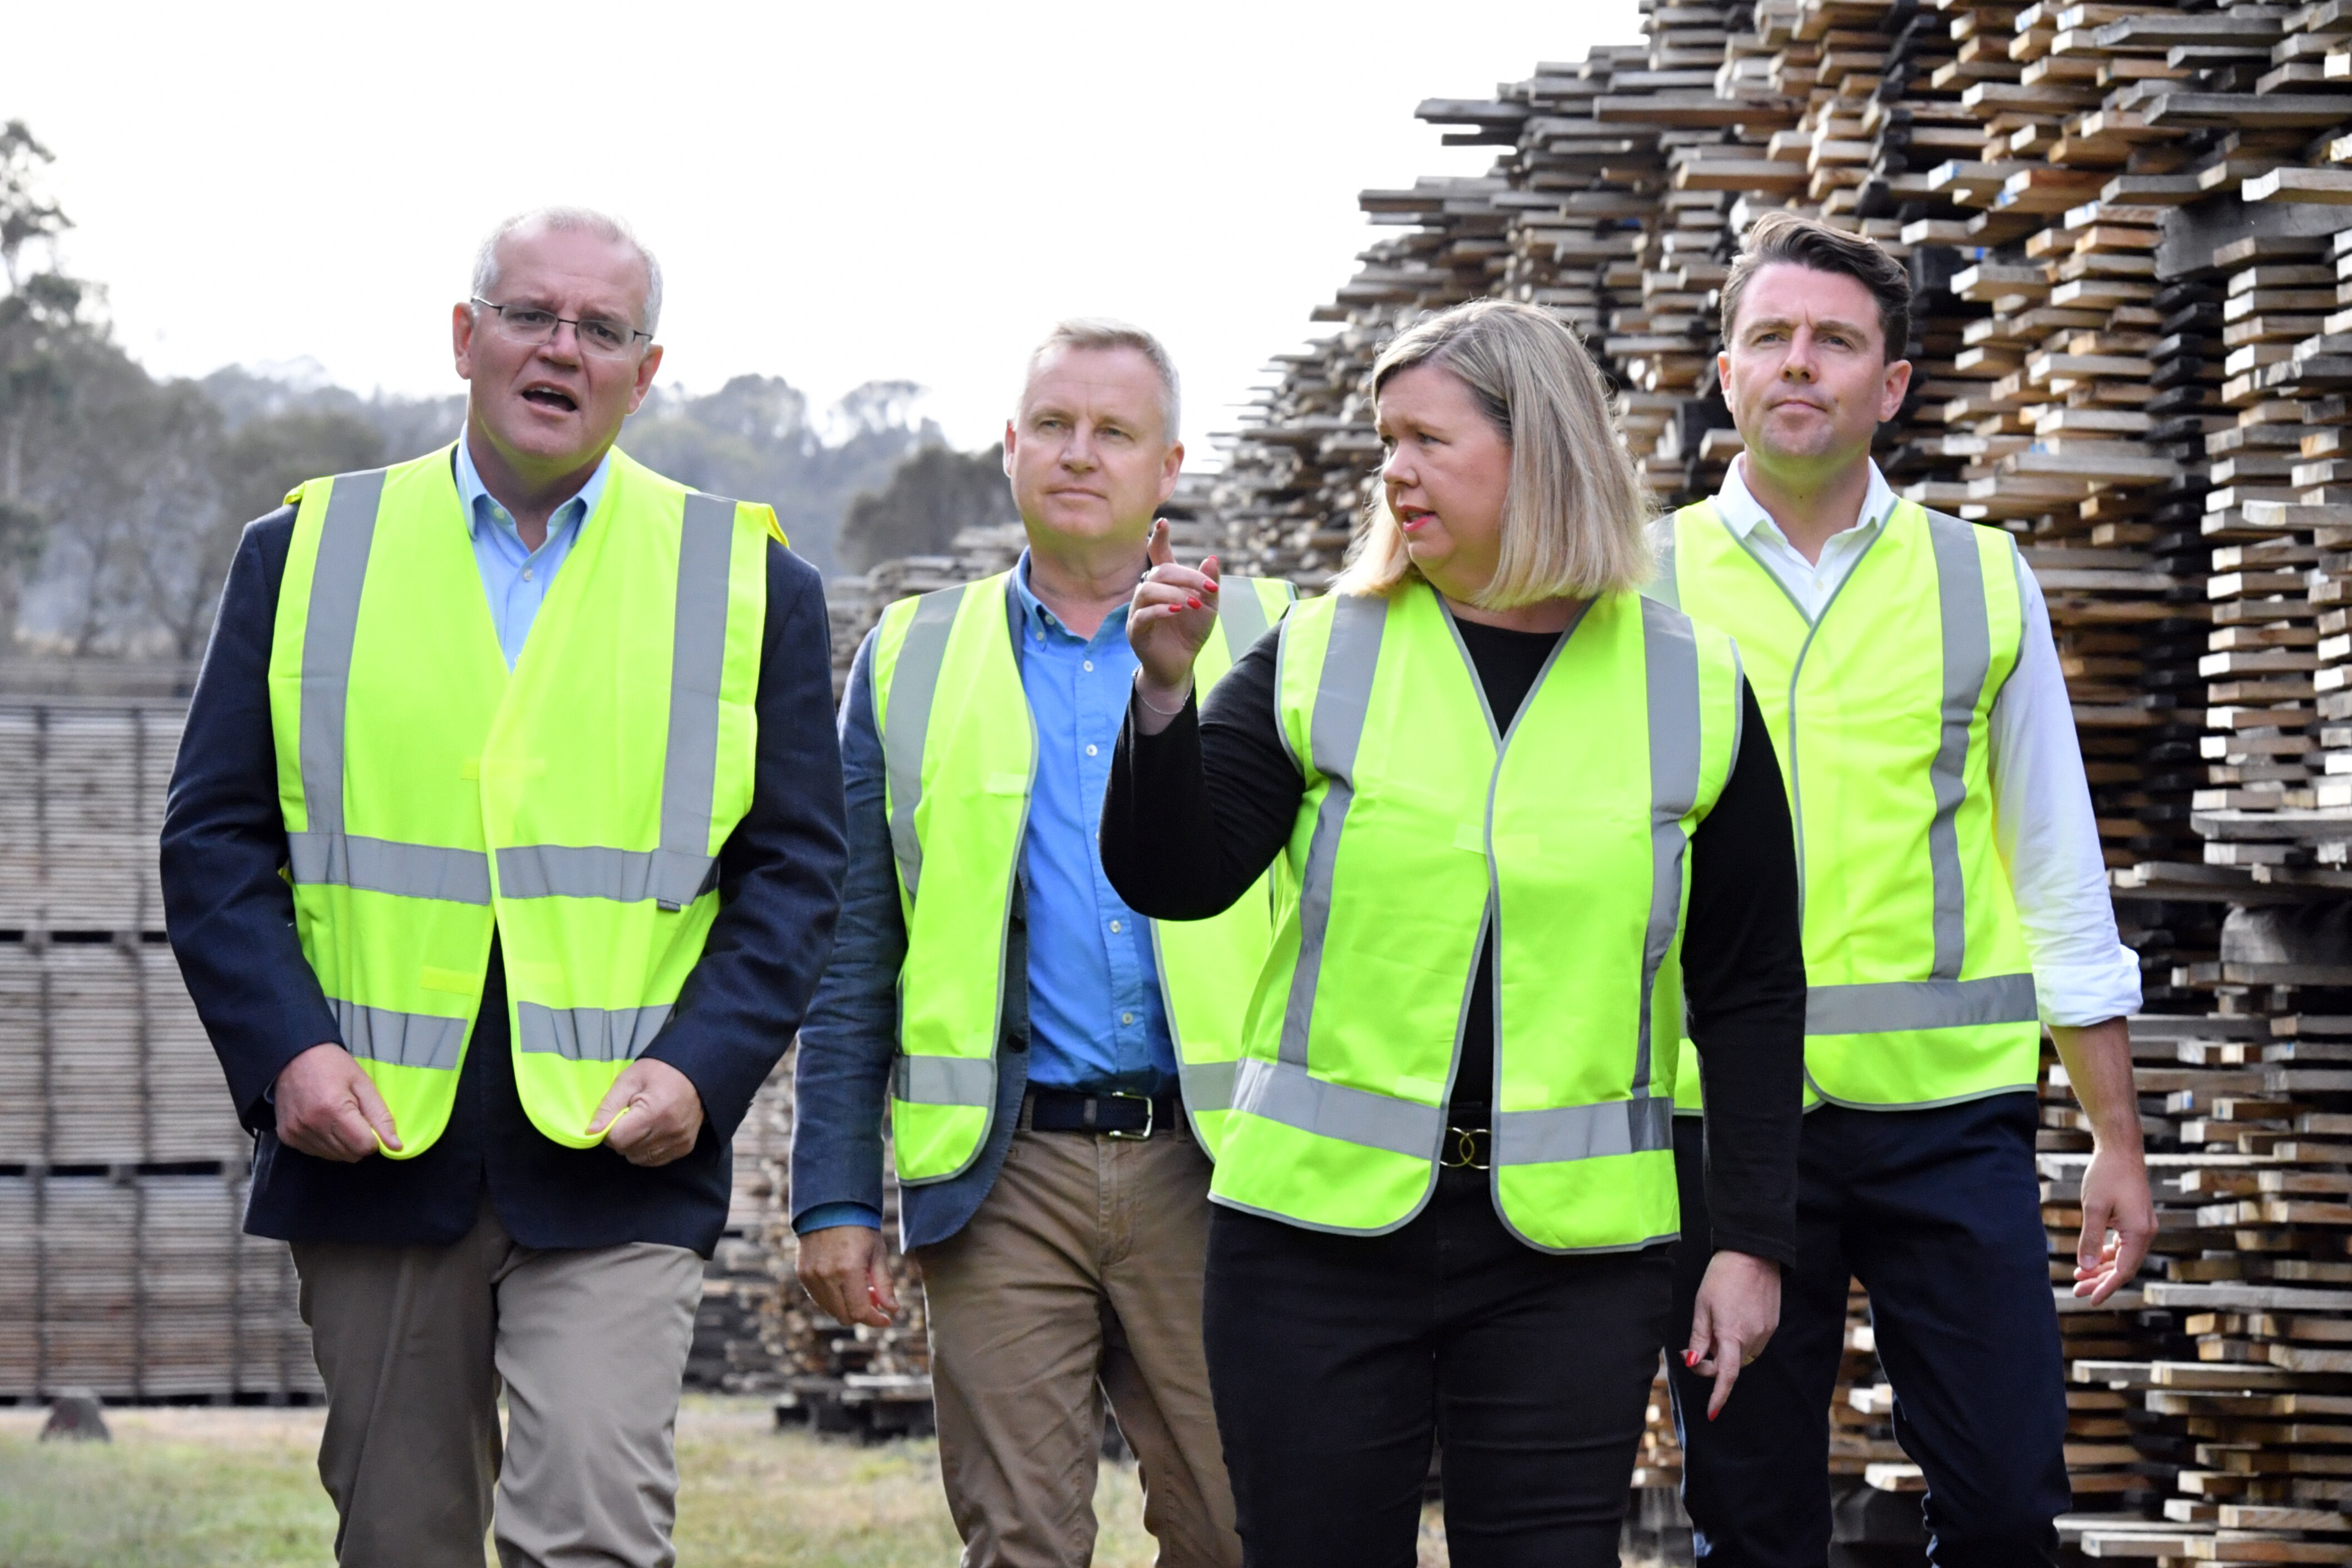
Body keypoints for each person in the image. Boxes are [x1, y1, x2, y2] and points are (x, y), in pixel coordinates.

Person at [160, 207, 848, 1568]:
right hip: (371, 1146)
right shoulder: (302, 555)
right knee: (401, 1537)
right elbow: (214, 840)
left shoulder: (752, 583)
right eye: (531, 315)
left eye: (603, 329)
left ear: (646, 374)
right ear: (465, 336)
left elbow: (795, 875)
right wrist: (286, 1054)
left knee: (595, 1528)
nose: (562, 350)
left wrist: (704, 1071)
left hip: (619, 1150)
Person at [1099, 297, 1808, 1567]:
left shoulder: (1691, 685)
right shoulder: (1325, 650)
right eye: (1386, 443)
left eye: (1427, 440)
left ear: (1534, 448)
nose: (1396, 472)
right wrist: (1162, 695)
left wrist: (1751, 1241)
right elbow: (1181, 878)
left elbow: (1751, 988)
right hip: (1310, 1246)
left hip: (1572, 1262)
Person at [1648, 211, 2156, 1567]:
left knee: (2002, 1504)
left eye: (1835, 342)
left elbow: (2057, 860)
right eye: (1771, 338)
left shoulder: (1979, 578)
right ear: (1726, 368)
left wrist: (2114, 1133)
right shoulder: (1639, 586)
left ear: (1894, 386)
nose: (1799, 364)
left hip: (1951, 1123)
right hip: (1726, 1125)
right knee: (1749, 1524)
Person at [790, 319, 1291, 1568]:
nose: (1080, 453)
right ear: (1011, 446)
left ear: (1168, 464)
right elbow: (857, 951)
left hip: (1224, 1168)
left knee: (1245, 1530)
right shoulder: (909, 660)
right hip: (1004, 1175)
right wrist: (838, 1194)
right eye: (1054, 426)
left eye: (1115, 432)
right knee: (1021, 1543)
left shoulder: (1280, 639)